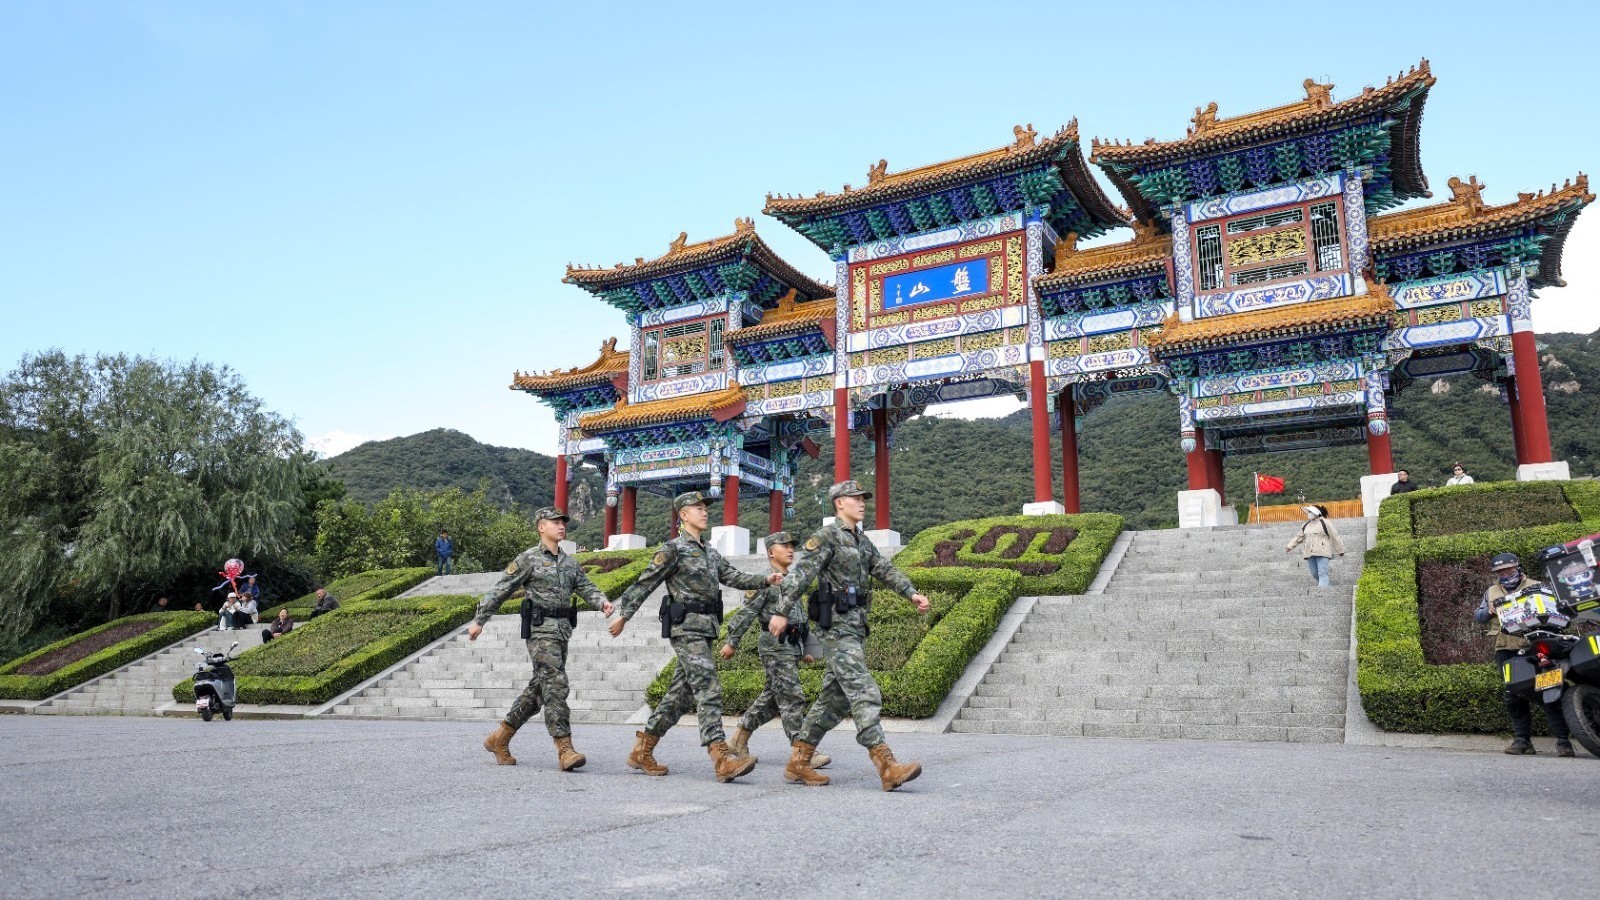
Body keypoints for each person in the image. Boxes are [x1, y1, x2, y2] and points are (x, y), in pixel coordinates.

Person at [607, 491, 779, 782]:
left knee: (678, 696)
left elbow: (733, 576)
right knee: (708, 688)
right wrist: (624, 615)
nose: (704, 512)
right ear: (683, 515)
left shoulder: (710, 552)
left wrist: (765, 579)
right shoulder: (673, 549)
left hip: (706, 628)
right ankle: (721, 757)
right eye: (697, 508)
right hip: (685, 628)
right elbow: (646, 581)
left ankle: (642, 749)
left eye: (704, 507)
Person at [777, 480, 930, 792]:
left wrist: (911, 593)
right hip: (835, 627)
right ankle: (886, 764)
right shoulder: (826, 537)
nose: (862, 503)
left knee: (833, 700)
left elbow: (884, 569)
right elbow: (800, 574)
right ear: (839, 503)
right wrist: (781, 611)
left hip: (856, 625)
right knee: (863, 689)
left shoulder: (861, 540)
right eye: (855, 498)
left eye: (863, 498)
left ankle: (799, 760)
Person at [474, 507, 608, 771]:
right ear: (541, 527)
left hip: (562, 632)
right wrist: (480, 620)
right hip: (540, 632)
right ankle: (564, 748)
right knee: (556, 685)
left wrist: (602, 603)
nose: (561, 526)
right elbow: (501, 589)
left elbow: (587, 587)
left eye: (563, 522)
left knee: (539, 691)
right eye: (555, 522)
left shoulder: (570, 563)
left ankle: (499, 738)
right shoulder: (528, 559)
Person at [719, 531, 830, 771]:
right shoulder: (765, 581)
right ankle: (803, 752)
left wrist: (807, 648)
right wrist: (732, 642)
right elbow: (746, 613)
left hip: (791, 645)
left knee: (772, 699)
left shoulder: (793, 579)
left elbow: (800, 618)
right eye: (785, 546)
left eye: (792, 546)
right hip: (774, 645)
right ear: (771, 552)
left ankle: (738, 740)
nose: (791, 550)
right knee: (792, 696)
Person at [1474, 552, 1574, 756]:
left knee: (1550, 690)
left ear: (1518, 567)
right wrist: (1489, 611)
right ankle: (1522, 741)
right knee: (1513, 695)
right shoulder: (1491, 591)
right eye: (1500, 571)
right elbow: (1479, 615)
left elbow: (1557, 611)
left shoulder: (1537, 586)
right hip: (1506, 648)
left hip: (1536, 647)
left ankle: (1564, 742)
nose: (1505, 573)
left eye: (1509, 569)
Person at [1285, 505, 1346, 588]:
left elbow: (1335, 536)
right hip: (1309, 553)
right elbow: (1299, 537)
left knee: (1322, 572)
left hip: (1323, 551)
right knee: (1314, 574)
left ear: (1316, 513)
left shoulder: (1325, 522)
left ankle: (1322, 592)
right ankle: (1329, 588)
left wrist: (1340, 550)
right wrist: (1290, 546)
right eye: (1309, 512)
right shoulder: (1306, 525)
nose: (1309, 514)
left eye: (1310, 512)